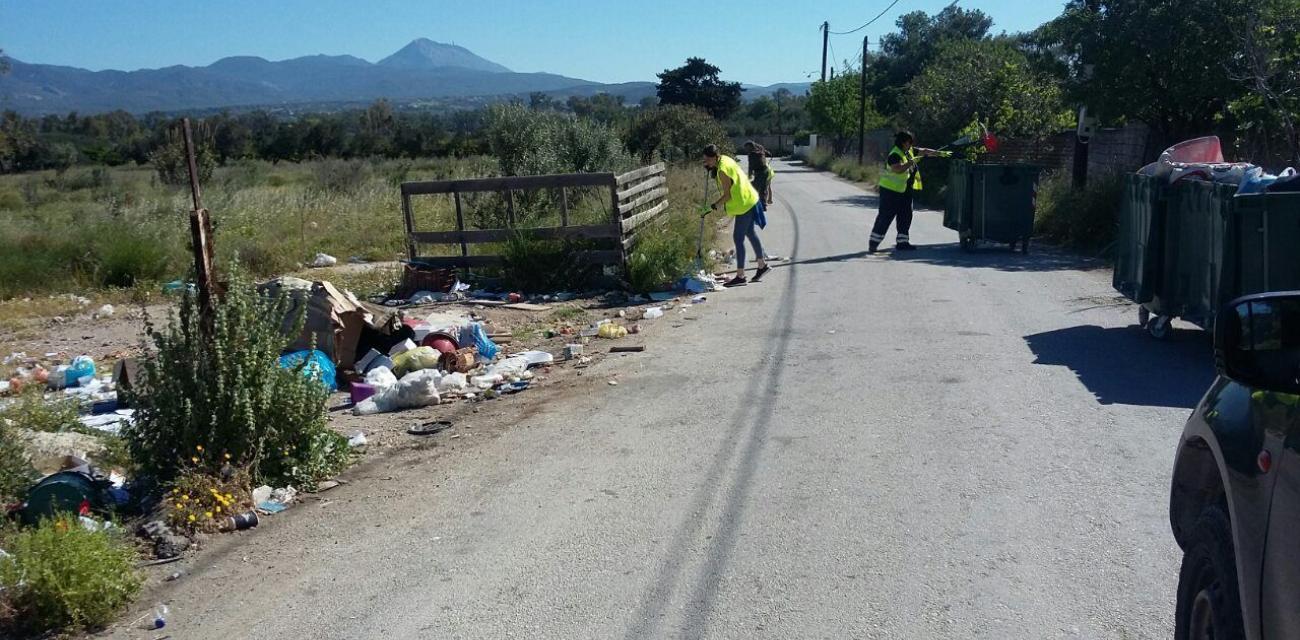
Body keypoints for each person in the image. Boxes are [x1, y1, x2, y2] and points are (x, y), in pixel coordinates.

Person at [704, 144, 769, 287]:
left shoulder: (722, 170)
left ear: (715, 157)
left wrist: (713, 206)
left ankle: (740, 276)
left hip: (743, 204)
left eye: (708, 160)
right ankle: (762, 265)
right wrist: (712, 168)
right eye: (705, 160)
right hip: (749, 198)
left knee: (738, 238)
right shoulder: (725, 159)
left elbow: (727, 195)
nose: (706, 163)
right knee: (751, 233)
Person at [869, 131, 940, 253]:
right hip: (890, 191)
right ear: (903, 142)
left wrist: (939, 153)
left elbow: (923, 151)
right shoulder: (895, 154)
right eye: (910, 142)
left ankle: (903, 242)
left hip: (904, 191)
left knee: (905, 216)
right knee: (885, 217)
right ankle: (873, 243)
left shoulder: (909, 151)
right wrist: (911, 162)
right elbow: (897, 169)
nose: (912, 145)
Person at [743, 140, 775, 205]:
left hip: (759, 172)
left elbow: (750, 166)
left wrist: (749, 175)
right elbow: (768, 153)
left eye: (746, 148)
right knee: (764, 187)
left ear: (749, 146)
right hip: (767, 170)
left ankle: (755, 202)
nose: (745, 150)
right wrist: (769, 154)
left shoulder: (751, 154)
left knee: (754, 187)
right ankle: (765, 203)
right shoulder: (760, 148)